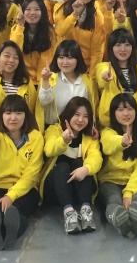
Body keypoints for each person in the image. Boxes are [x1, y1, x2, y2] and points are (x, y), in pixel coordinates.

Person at [0, 95, 45, 250]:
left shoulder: (35, 137)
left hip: (26, 189)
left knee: (15, 212)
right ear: (1, 116)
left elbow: (32, 174)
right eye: (8, 113)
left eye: (18, 113)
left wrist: (11, 196)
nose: (13, 118)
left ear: (25, 115)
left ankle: (9, 233)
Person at [41, 98, 102, 234]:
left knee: (82, 164)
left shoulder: (89, 136)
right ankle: (69, 213)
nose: (81, 120)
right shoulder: (54, 129)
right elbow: (49, 150)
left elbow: (96, 157)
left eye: (85, 116)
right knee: (62, 166)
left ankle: (86, 211)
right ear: (68, 114)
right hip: (56, 190)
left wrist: (86, 169)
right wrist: (63, 140)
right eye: (77, 115)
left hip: (80, 190)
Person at [98, 93, 137, 238]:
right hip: (110, 181)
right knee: (113, 200)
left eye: (130, 109)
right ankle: (119, 220)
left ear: (136, 111)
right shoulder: (107, 132)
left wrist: (129, 192)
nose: (126, 113)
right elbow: (108, 145)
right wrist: (121, 142)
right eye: (120, 109)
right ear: (113, 113)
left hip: (136, 181)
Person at [39, 40, 96, 125]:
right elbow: (44, 101)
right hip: (55, 129)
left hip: (80, 128)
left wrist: (92, 127)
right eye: (61, 57)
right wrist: (45, 80)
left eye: (70, 57)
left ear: (78, 59)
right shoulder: (51, 78)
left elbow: (91, 108)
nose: (65, 62)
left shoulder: (87, 81)